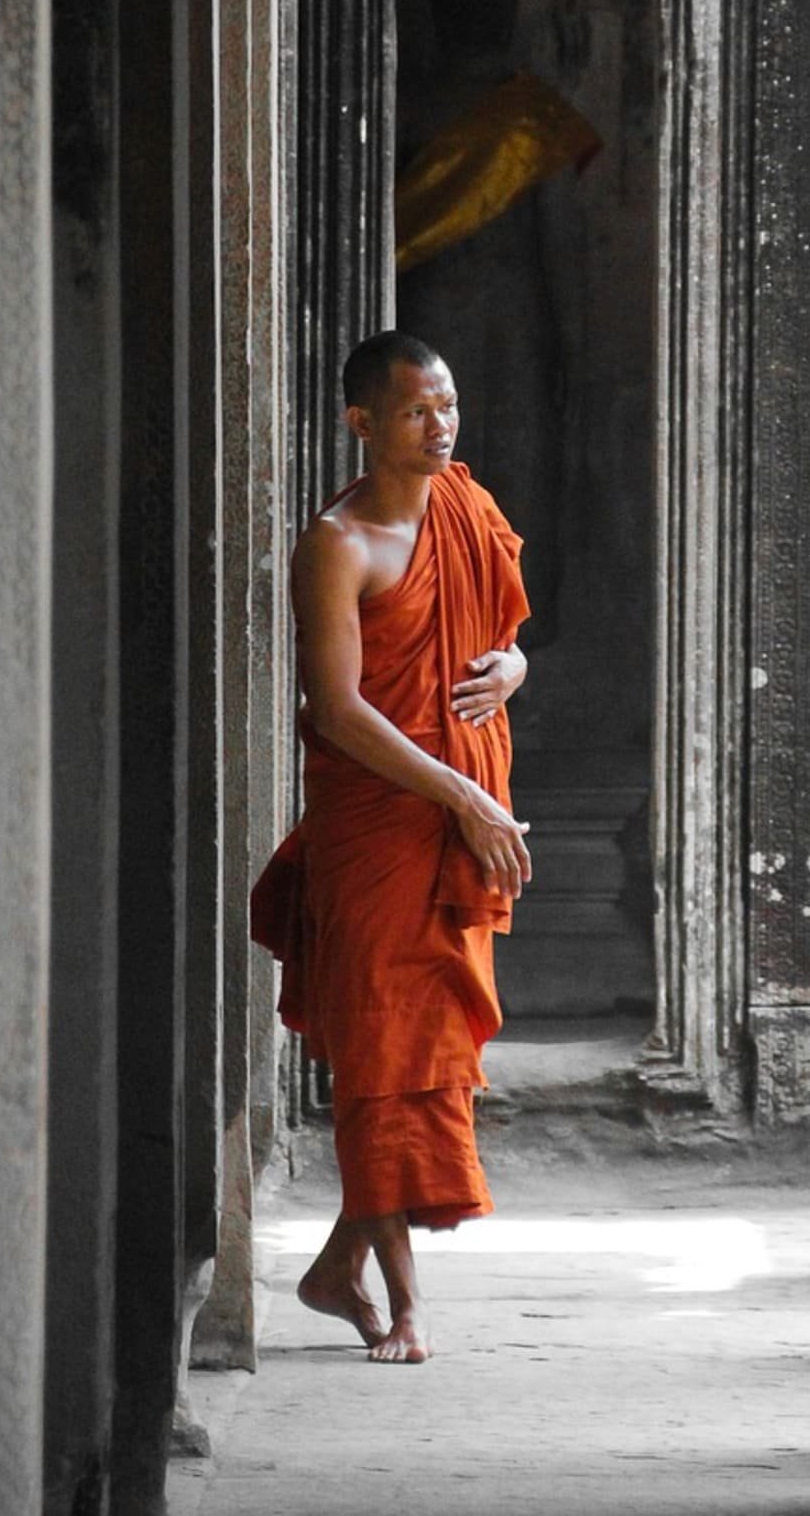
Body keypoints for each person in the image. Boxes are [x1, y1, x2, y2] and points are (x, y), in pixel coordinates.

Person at [259, 330, 532, 1364]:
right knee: (380, 1058)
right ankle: (407, 1304)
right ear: (361, 421)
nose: (440, 425)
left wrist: (509, 668)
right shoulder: (338, 541)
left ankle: (339, 1270)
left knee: (430, 1065)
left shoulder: (467, 505)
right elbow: (333, 709)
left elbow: (502, 640)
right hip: (383, 825)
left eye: (449, 404)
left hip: (458, 824)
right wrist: (462, 794)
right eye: (417, 409)